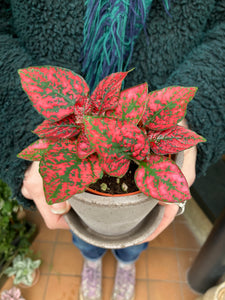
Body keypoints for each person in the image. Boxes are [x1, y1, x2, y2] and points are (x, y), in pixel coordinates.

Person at [0, 0, 224, 299]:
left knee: (137, 236)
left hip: (144, 142)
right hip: (75, 153)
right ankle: (91, 261)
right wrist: (19, 126)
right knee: (82, 232)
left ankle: (126, 262)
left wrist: (191, 117)